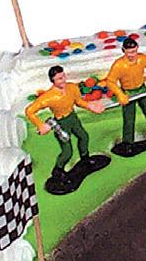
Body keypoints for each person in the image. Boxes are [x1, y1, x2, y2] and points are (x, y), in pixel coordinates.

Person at [25, 65, 107, 193]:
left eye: (63, 76)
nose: (63, 80)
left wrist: (90, 106)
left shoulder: (72, 88)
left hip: (73, 118)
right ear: (52, 80)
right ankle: (58, 171)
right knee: (67, 151)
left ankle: (85, 159)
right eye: (59, 79)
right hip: (61, 123)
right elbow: (29, 111)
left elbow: (78, 102)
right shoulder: (48, 97)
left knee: (83, 136)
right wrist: (40, 125)